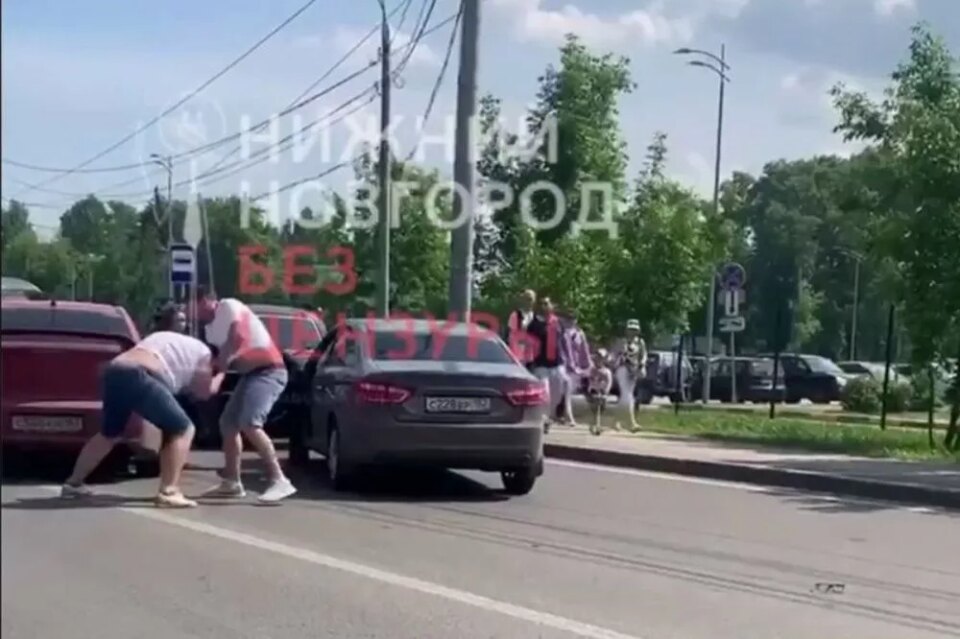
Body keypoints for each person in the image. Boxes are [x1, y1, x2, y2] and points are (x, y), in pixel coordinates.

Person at [60, 331, 223, 507]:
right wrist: (221, 373)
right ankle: (169, 491)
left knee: (110, 433)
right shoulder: (205, 353)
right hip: (140, 375)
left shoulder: (166, 337)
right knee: (183, 428)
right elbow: (204, 393)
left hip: (115, 369)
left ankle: (73, 483)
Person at [193, 287, 297, 503]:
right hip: (250, 375)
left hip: (270, 371)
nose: (193, 309)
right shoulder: (210, 329)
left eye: (196, 303)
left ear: (208, 300)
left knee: (250, 423)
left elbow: (239, 337)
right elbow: (219, 358)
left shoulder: (228, 306)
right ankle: (232, 481)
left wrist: (224, 365)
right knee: (228, 423)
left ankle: (280, 480)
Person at [527, 297, 567, 433]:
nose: (544, 306)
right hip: (541, 364)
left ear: (551, 305)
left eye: (546, 303)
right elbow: (528, 344)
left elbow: (564, 342)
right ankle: (543, 419)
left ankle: (550, 416)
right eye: (542, 304)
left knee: (557, 394)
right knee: (545, 393)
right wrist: (528, 362)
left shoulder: (558, 322)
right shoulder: (534, 324)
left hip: (557, 363)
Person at [609, 319, 647, 430]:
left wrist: (642, 364)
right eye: (630, 329)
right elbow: (613, 354)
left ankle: (615, 421)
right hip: (622, 368)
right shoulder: (621, 341)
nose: (632, 331)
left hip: (634, 370)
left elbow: (644, 355)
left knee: (626, 396)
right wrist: (610, 358)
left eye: (634, 329)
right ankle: (632, 423)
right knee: (627, 395)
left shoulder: (640, 342)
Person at [555, 310, 591, 425]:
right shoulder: (560, 332)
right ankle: (569, 418)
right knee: (564, 391)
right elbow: (559, 349)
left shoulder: (579, 333)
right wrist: (565, 362)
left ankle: (562, 416)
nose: (570, 321)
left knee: (567, 393)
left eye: (573, 319)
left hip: (576, 368)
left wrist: (587, 366)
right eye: (568, 318)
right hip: (563, 365)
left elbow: (584, 350)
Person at [506, 289, 537, 368]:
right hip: (518, 354)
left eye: (530, 299)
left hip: (532, 355)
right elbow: (511, 335)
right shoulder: (516, 315)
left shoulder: (535, 316)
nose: (528, 302)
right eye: (526, 299)